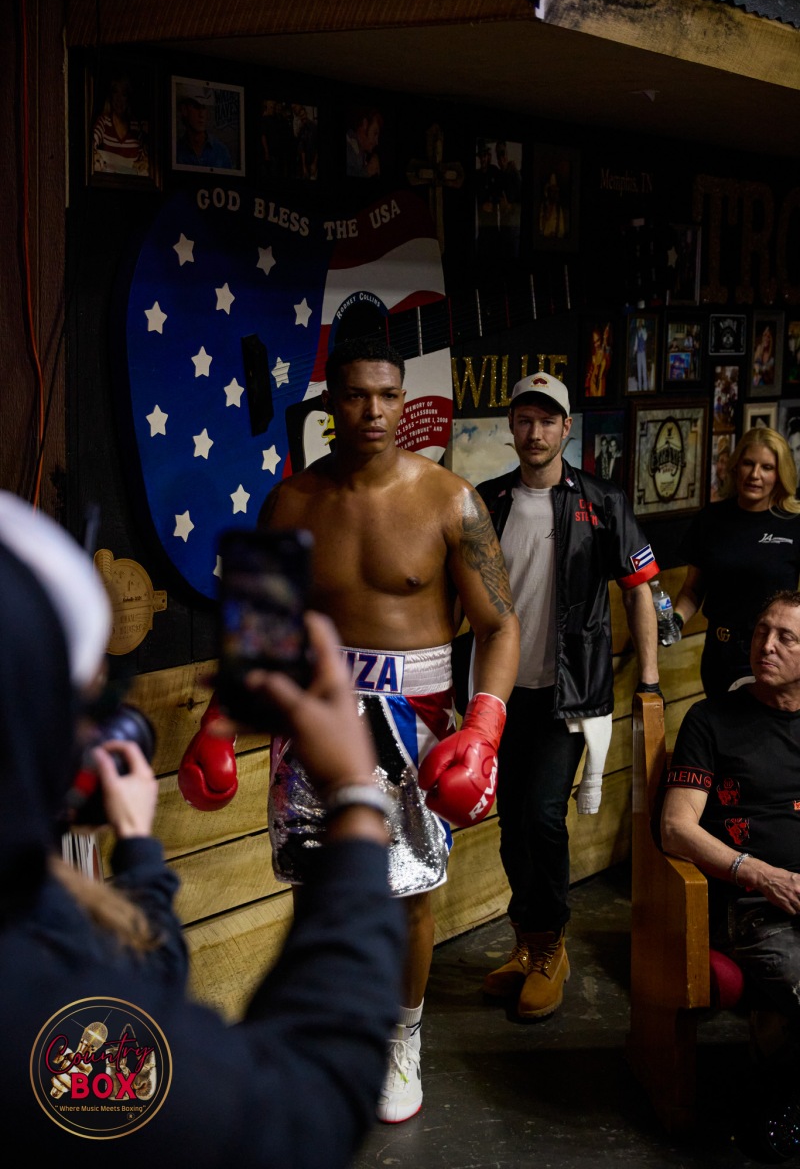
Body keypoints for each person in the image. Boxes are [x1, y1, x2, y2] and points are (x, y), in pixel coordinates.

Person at [0, 488, 407, 1164]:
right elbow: (306, 1108)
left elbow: (143, 989)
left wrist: (138, 853)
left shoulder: (38, 926)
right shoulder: (39, 1021)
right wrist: (356, 798)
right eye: (87, 705)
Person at [182, 337, 519, 1124]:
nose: (375, 410)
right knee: (317, 885)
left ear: (404, 400)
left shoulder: (452, 501)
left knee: (410, 895)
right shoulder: (289, 503)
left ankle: (403, 1038)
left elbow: (499, 627)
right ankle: (324, 1031)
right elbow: (264, 633)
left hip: (416, 720)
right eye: (358, 395)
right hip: (317, 714)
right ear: (330, 404)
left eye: (388, 395)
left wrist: (484, 728)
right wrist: (217, 725)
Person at [475, 373, 660, 1021]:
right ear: (512, 426)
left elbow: (640, 590)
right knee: (509, 823)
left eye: (547, 421)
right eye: (525, 420)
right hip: (499, 692)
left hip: (570, 692)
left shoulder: (601, 501)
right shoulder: (486, 501)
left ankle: (552, 945)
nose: (535, 432)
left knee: (543, 817)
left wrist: (650, 684)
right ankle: (528, 943)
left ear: (565, 429)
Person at [661, 590, 800, 1154]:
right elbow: (675, 828)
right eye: (762, 631)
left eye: (786, 637)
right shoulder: (712, 719)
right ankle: (779, 1093)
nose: (766, 645)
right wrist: (761, 874)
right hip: (754, 903)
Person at [672, 426, 800, 700]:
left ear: (780, 474)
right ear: (735, 467)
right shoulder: (711, 519)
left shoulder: (794, 524)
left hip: (773, 653)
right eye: (748, 463)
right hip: (720, 650)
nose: (755, 475)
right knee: (721, 724)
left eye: (767, 467)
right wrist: (676, 619)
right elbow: (693, 590)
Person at [92, 73, 149, 176]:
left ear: (128, 98)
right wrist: (94, 154)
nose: (119, 99)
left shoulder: (138, 126)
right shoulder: (104, 122)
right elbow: (91, 143)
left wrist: (145, 163)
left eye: (123, 94)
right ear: (110, 96)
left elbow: (146, 158)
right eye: (115, 92)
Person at [175, 82, 233, 170]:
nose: (201, 114)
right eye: (196, 107)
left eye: (203, 107)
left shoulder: (220, 151)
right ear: (184, 110)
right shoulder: (177, 151)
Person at [345, 106, 383, 177]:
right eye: (375, 133)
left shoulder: (361, 154)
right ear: (365, 124)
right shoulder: (348, 147)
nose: (377, 142)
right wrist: (368, 171)